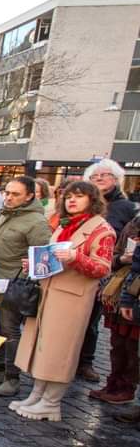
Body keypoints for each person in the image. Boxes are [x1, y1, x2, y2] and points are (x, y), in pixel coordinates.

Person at [12, 181, 114, 421]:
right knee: (43, 347)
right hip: (49, 293)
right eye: (69, 196)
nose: (72, 200)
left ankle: (51, 402)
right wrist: (35, 264)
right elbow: (52, 257)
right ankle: (37, 394)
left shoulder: (102, 230)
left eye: (79, 196)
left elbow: (103, 268)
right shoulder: (63, 225)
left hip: (72, 299)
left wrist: (75, 257)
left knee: (60, 351)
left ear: (92, 200)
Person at [0, 176, 53, 397]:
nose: (8, 197)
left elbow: (42, 256)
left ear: (29, 196)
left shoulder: (36, 222)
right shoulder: (3, 213)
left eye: (15, 194)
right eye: (7, 192)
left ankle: (12, 376)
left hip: (14, 284)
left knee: (10, 330)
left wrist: (27, 275)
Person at [76, 159, 135, 383]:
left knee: (91, 319)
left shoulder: (126, 207)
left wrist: (120, 258)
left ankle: (86, 362)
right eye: (95, 176)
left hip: (108, 271)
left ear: (116, 179)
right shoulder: (84, 205)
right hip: (76, 267)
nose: (100, 179)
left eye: (105, 175)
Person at [92, 209, 140, 407]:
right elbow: (114, 257)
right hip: (120, 289)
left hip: (133, 291)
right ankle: (113, 383)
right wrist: (123, 259)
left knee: (132, 346)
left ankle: (126, 387)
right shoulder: (133, 222)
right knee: (118, 343)